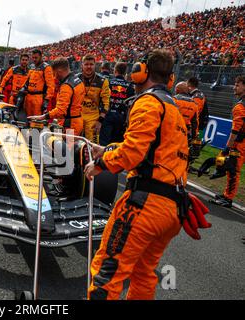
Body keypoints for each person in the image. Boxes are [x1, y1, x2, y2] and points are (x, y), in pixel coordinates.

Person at [85, 49, 189, 300]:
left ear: (140, 73)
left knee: (107, 274)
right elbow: (153, 152)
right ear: (171, 79)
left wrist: (100, 164)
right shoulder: (174, 109)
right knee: (143, 274)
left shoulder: (148, 102)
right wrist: (109, 149)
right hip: (173, 210)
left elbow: (132, 154)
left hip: (145, 205)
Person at [210, 76, 245, 208]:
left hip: (240, 144)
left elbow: (236, 131)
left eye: (237, 85)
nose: (234, 87)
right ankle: (226, 195)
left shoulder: (240, 106)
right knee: (232, 169)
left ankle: (228, 198)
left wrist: (227, 148)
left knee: (233, 170)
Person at [28, 57, 84, 135]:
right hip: (77, 120)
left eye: (54, 73)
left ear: (59, 71)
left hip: (69, 125)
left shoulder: (66, 86)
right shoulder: (77, 80)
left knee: (65, 147)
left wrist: (43, 116)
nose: (54, 77)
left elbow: (61, 110)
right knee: (71, 146)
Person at [99, 62, 135, 145]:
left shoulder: (108, 82)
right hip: (121, 118)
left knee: (104, 143)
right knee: (117, 145)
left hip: (107, 115)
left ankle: (103, 158)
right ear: (125, 73)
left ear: (115, 71)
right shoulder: (130, 87)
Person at [77, 54, 110, 143]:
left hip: (93, 117)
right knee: (71, 143)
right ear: (82, 65)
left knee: (92, 146)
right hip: (76, 115)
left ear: (95, 65)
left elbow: (106, 103)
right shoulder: (75, 79)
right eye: (86, 64)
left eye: (91, 64)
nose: (89, 67)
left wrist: (100, 121)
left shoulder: (103, 81)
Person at [22, 49, 55, 117]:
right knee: (26, 119)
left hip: (38, 98)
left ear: (40, 57)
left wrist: (46, 100)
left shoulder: (46, 67)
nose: (34, 59)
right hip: (28, 97)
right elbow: (27, 81)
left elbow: (51, 85)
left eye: (36, 58)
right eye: (33, 57)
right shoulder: (31, 66)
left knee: (36, 121)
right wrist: (23, 88)